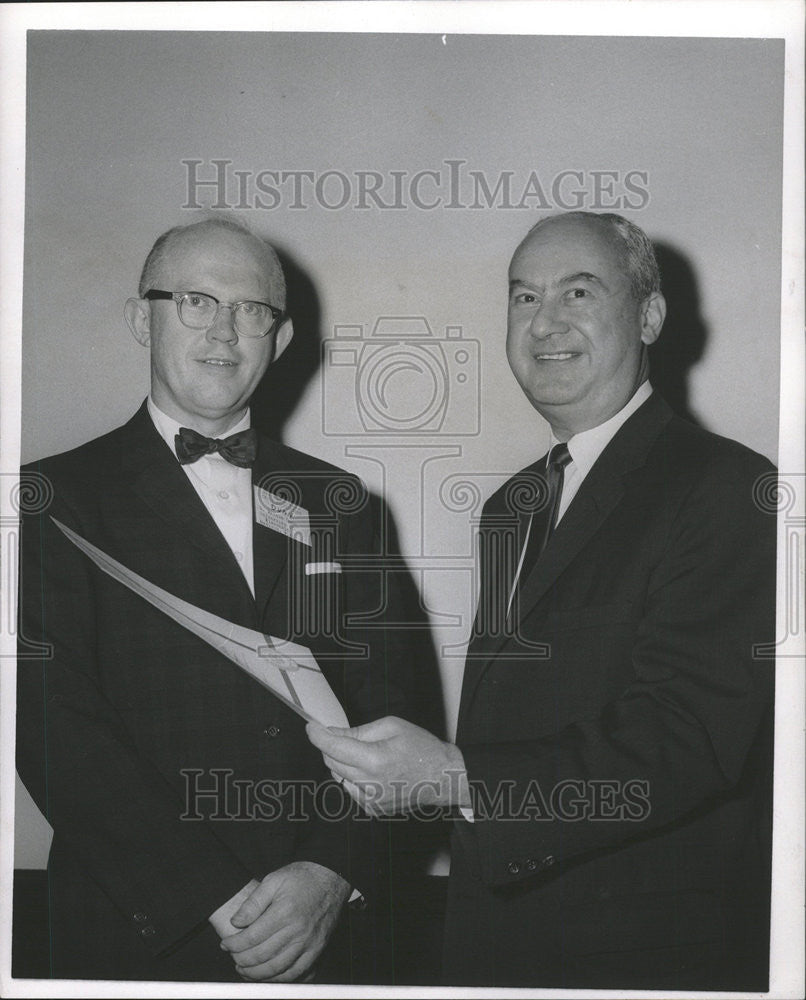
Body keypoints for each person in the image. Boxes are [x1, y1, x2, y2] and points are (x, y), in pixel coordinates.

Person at [308, 211, 777, 990]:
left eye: (578, 292)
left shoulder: (724, 486)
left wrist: (454, 778)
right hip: (496, 939)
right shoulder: (512, 505)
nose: (545, 322)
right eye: (523, 298)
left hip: (641, 956)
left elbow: (687, 737)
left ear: (651, 316)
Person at [16, 217, 413, 983]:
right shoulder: (50, 500)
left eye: (252, 310)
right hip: (135, 933)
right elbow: (52, 725)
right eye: (196, 300)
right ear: (144, 318)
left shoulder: (343, 504)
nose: (225, 330)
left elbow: (394, 703)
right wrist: (211, 895)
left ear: (282, 338)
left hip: (325, 931)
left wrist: (330, 872)